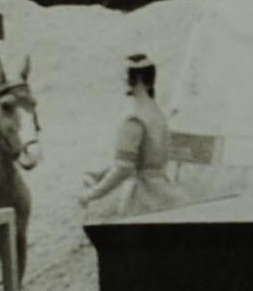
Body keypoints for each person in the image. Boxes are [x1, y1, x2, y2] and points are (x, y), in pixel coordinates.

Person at [81, 54, 190, 218]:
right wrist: (104, 172)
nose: (122, 79)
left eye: (124, 74)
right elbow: (145, 159)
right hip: (169, 195)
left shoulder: (133, 118)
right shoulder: (158, 114)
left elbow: (124, 167)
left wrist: (91, 194)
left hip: (143, 200)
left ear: (136, 77)